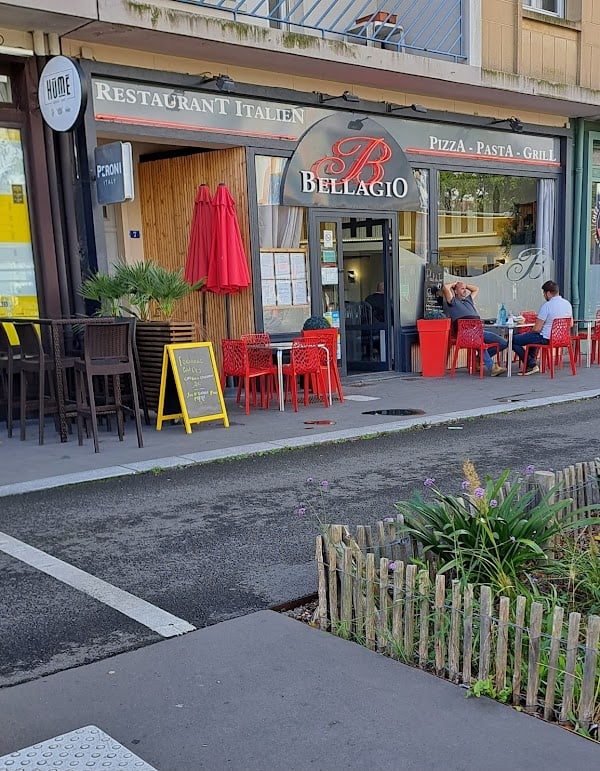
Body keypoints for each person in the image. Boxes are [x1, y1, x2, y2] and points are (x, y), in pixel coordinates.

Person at [442, 280, 508, 376]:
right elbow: (445, 288)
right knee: (479, 341)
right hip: (465, 334)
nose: (465, 291)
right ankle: (492, 367)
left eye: (465, 289)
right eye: (462, 289)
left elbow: (476, 289)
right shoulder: (453, 301)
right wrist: (455, 283)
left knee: (503, 343)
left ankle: (479, 359)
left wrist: (465, 285)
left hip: (479, 331)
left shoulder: (468, 300)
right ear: (455, 291)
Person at [512, 280, 573, 375]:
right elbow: (571, 324)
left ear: (548, 293)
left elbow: (536, 329)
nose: (544, 296)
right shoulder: (567, 304)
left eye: (544, 294)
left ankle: (531, 364)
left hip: (546, 338)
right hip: (562, 339)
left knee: (512, 340)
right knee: (532, 338)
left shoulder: (547, 306)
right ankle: (531, 363)